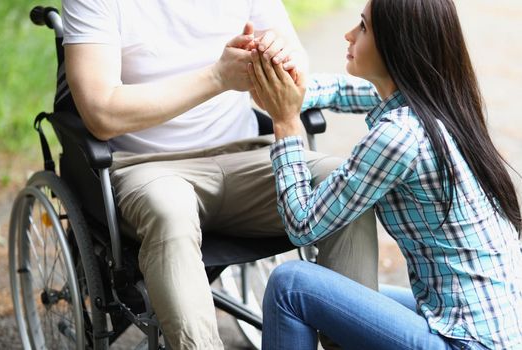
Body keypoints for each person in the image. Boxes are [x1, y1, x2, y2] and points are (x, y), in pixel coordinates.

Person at [61, 0, 380, 348]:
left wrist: (277, 60)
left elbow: (297, 71)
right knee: (169, 212)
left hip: (246, 154)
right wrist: (217, 77)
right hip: (150, 166)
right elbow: (101, 112)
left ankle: (355, 342)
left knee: (343, 184)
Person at [248, 0, 522, 349]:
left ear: (397, 45)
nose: (348, 34)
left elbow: (303, 224)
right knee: (352, 289)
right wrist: (282, 87)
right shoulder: (442, 100)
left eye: (363, 27)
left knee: (291, 285)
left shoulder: (401, 136)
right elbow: (340, 91)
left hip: (463, 341)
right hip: (482, 328)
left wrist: (285, 121)